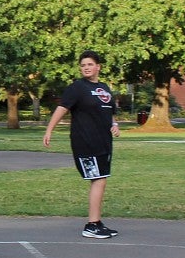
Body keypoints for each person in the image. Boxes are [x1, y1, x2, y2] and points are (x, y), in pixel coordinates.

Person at [43, 50, 122, 239]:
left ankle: (96, 222)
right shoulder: (77, 87)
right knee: (99, 180)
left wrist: (115, 124)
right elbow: (62, 108)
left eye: (89, 64)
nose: (86, 68)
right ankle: (92, 224)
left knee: (101, 179)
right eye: (83, 65)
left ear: (98, 67)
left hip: (104, 142)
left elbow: (110, 111)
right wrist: (49, 130)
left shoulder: (104, 87)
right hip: (85, 142)